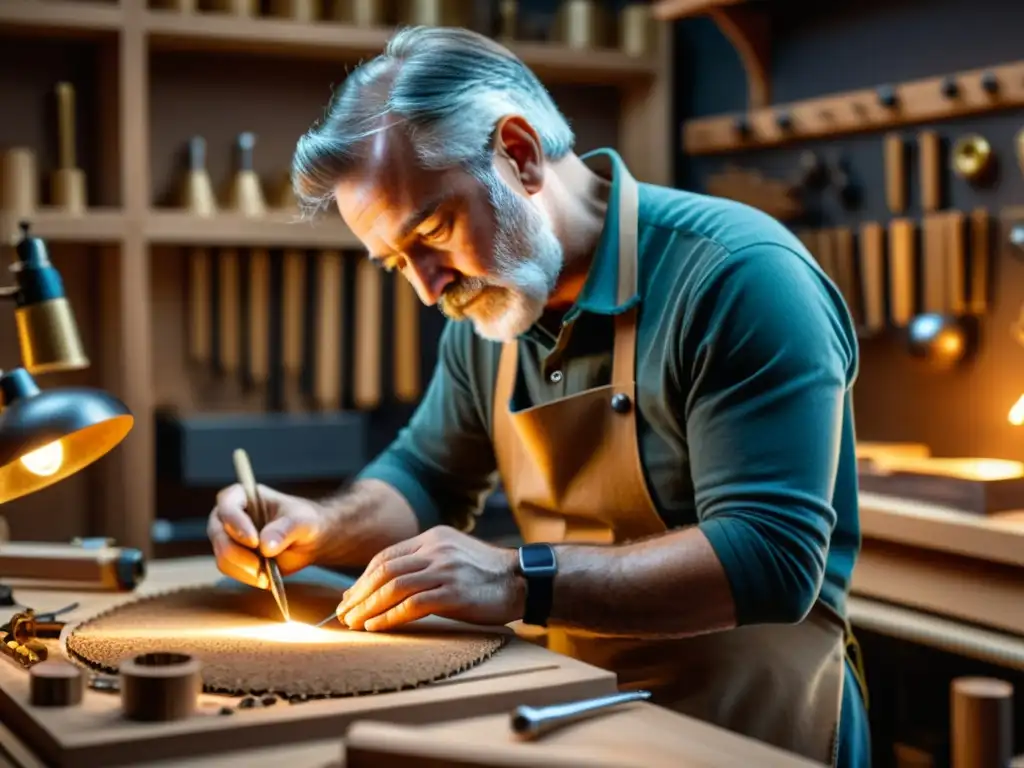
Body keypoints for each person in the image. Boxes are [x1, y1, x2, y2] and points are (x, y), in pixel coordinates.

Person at [207, 25, 870, 767]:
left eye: (433, 230)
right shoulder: (490, 308)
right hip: (570, 714)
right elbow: (428, 476)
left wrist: (516, 577)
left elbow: (771, 555)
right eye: (397, 263)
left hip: (749, 731)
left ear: (518, 155)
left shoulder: (738, 278)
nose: (429, 289)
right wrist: (317, 526)